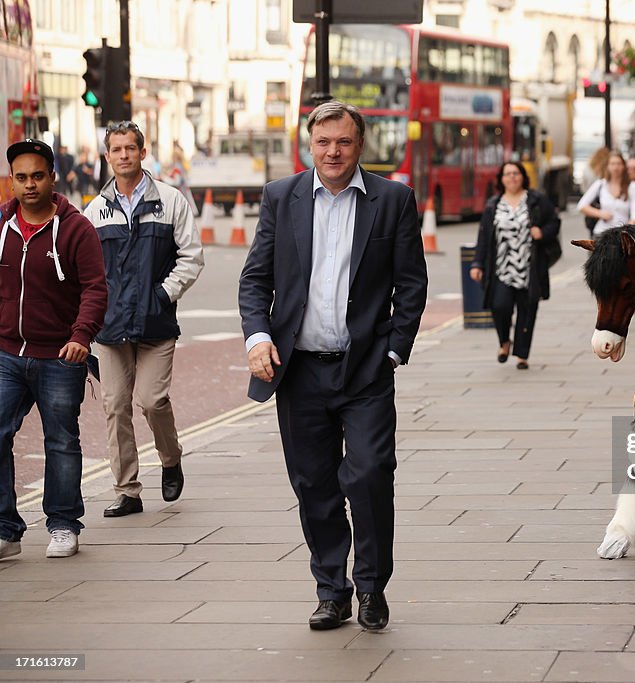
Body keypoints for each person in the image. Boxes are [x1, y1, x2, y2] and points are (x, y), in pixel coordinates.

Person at [238, 100, 428, 632]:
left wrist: (394, 349)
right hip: (298, 370)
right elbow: (256, 279)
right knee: (314, 485)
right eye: (323, 142)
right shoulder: (282, 196)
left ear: (360, 145)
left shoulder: (393, 200)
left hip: (365, 369)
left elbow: (411, 284)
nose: (333, 151)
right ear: (310, 145)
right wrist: (257, 336)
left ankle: (371, 587)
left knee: (368, 475)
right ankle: (331, 590)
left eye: (343, 141)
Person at [82, 121, 204, 518]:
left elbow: (192, 257)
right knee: (115, 405)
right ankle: (128, 491)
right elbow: (84, 269)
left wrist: (162, 295)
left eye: (129, 148)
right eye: (116, 150)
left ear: (142, 152)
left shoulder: (170, 201)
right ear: (107, 157)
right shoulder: (95, 211)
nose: (123, 156)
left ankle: (170, 459)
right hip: (111, 327)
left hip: (155, 324)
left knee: (152, 401)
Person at [0, 140, 107, 560]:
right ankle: (6, 531)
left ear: (52, 178)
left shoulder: (76, 228)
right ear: (12, 181)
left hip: (61, 355)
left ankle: (63, 525)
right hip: (7, 352)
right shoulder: (3, 226)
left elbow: (96, 288)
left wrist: (81, 336)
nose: (29, 185)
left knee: (60, 440)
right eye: (21, 177)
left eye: (37, 176)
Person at [469, 161, 560, 370]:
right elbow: (483, 237)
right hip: (501, 268)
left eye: (516, 173)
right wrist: (477, 263)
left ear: (522, 177)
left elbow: (554, 222)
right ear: (501, 179)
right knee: (499, 306)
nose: (512, 177)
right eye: (507, 174)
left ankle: (522, 354)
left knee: (527, 311)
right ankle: (504, 341)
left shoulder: (536, 200)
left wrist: (542, 232)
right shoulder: (493, 204)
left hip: (529, 267)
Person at [577, 150, 635, 236]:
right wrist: (600, 213)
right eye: (612, 164)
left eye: (619, 164)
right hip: (601, 232)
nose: (616, 167)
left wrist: (626, 232)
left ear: (623, 166)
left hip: (622, 234)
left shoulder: (632, 186)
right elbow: (581, 205)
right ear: (607, 166)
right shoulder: (601, 184)